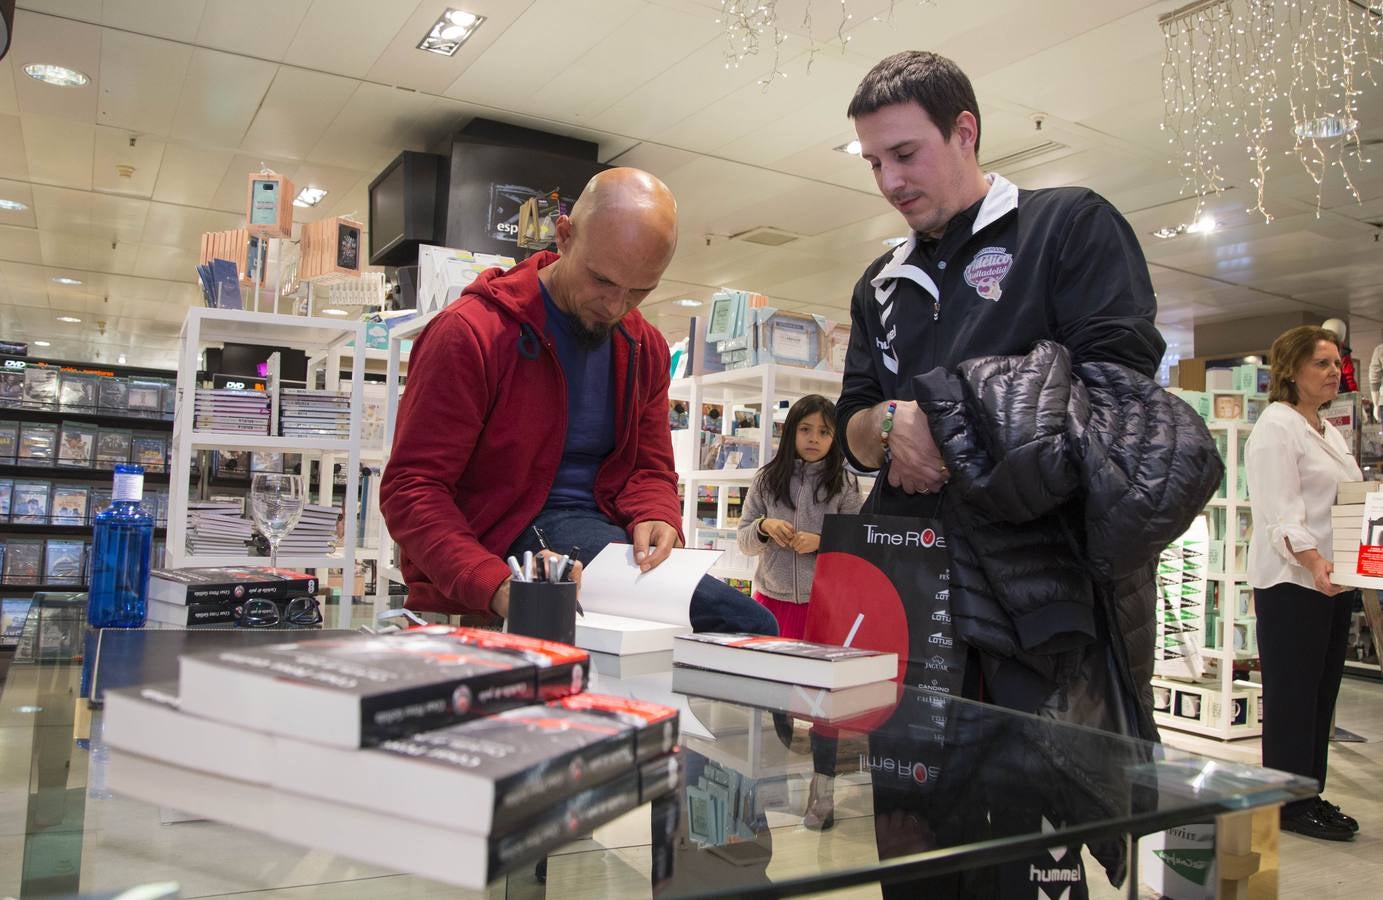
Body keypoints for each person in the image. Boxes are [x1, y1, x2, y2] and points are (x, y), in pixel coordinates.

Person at [832, 49, 1222, 897]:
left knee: (1027, 857)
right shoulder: (880, 284)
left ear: (964, 130)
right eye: (873, 163)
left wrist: (950, 414)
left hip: (1037, 615)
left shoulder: (1067, 227)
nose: (889, 180)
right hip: (913, 604)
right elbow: (851, 424)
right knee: (916, 851)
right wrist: (888, 424)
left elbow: (1118, 394)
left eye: (905, 153)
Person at [379, 167, 776, 636]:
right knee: (743, 622)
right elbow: (412, 488)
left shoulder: (642, 345)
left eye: (640, 290)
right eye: (602, 281)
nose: (615, 306)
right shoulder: (470, 334)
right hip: (502, 549)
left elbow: (650, 469)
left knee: (746, 627)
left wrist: (657, 513)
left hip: (602, 546)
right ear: (563, 236)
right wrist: (492, 582)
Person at [1245, 325, 1361, 842]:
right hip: (1294, 581)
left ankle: (1307, 792)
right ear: (1291, 371)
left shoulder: (1326, 428)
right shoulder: (1277, 425)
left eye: (1337, 363)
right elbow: (1280, 512)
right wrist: (1314, 562)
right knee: (1293, 695)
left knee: (1321, 693)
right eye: (1322, 363)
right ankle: (1285, 805)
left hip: (1333, 581)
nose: (1334, 372)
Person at [736, 394, 864, 830]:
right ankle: (771, 786)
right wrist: (763, 529)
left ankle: (822, 791)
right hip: (771, 603)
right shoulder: (766, 479)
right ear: (790, 431)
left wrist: (821, 542)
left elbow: (859, 546)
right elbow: (743, 540)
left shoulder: (845, 486)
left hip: (824, 607)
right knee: (772, 699)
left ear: (835, 438)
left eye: (824, 432)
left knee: (825, 704)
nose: (814, 439)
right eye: (805, 429)